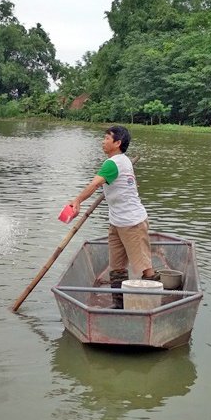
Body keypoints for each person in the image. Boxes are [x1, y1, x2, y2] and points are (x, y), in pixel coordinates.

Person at [67, 125, 159, 296]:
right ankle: (118, 304)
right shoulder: (123, 161)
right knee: (116, 267)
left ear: (117, 143)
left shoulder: (114, 163)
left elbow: (94, 184)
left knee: (144, 267)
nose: (103, 142)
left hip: (132, 222)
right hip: (116, 222)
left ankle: (154, 302)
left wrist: (77, 201)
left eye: (107, 138)